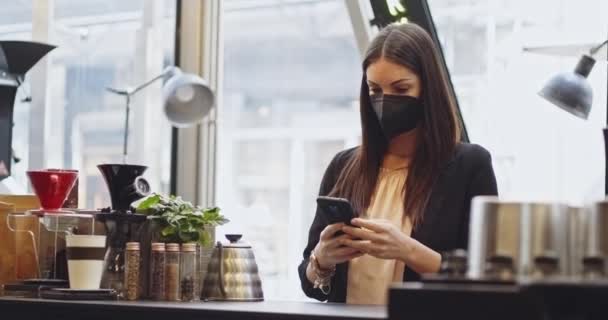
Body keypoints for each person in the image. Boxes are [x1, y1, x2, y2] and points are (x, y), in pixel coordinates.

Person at [298, 23, 498, 305]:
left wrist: (408, 250)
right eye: (374, 89)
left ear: (428, 88)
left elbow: (486, 282)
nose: (384, 101)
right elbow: (310, 285)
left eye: (401, 88)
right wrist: (322, 260)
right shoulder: (344, 166)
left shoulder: (469, 165)